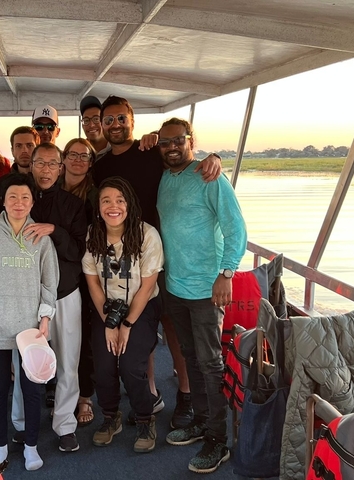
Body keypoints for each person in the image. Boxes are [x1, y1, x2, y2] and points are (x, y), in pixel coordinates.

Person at [92, 95, 224, 430]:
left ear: (132, 121)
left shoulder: (150, 151)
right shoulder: (101, 164)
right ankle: (149, 390)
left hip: (161, 251)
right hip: (123, 258)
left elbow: (182, 160)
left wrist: (214, 159)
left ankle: (185, 392)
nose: (116, 125)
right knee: (141, 323)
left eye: (122, 118)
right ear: (101, 126)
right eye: (109, 120)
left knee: (171, 324)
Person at [156, 118, 247, 473]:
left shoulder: (211, 177)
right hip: (175, 285)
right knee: (190, 356)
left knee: (210, 363)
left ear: (191, 140)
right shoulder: (166, 176)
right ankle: (200, 420)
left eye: (179, 140)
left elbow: (235, 227)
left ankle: (218, 440)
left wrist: (226, 273)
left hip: (208, 289)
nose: (172, 147)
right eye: (165, 142)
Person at [0, 173, 59, 471]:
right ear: (3, 201)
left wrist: (45, 317)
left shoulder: (41, 238)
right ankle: (1, 446)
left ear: (33, 201)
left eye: (25, 198)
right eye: (12, 197)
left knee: (31, 389)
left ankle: (31, 445)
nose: (19, 203)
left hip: (30, 329)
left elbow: (49, 282)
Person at [10, 143, 87, 453]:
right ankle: (20, 422)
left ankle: (65, 425)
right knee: (25, 363)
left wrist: (54, 230)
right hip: (25, 298)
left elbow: (78, 252)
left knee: (69, 362)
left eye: (51, 164)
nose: (45, 170)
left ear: (61, 168)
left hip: (65, 294)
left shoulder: (75, 206)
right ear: (31, 166)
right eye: (39, 163)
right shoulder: (18, 202)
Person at [84, 176, 164, 453]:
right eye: (106, 200)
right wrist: (109, 322)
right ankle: (110, 417)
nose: (113, 206)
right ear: (98, 207)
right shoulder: (93, 234)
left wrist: (127, 323)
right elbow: (93, 281)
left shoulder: (147, 235)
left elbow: (148, 284)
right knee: (104, 365)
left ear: (129, 205)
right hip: (107, 309)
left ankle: (145, 417)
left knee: (131, 365)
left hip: (140, 308)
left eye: (119, 200)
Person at [60, 137, 98, 427]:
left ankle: (84, 395)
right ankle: (59, 390)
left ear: (90, 162)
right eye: (72, 154)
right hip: (58, 276)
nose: (77, 160)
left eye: (83, 156)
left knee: (83, 337)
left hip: (88, 274)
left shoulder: (94, 196)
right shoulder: (49, 192)